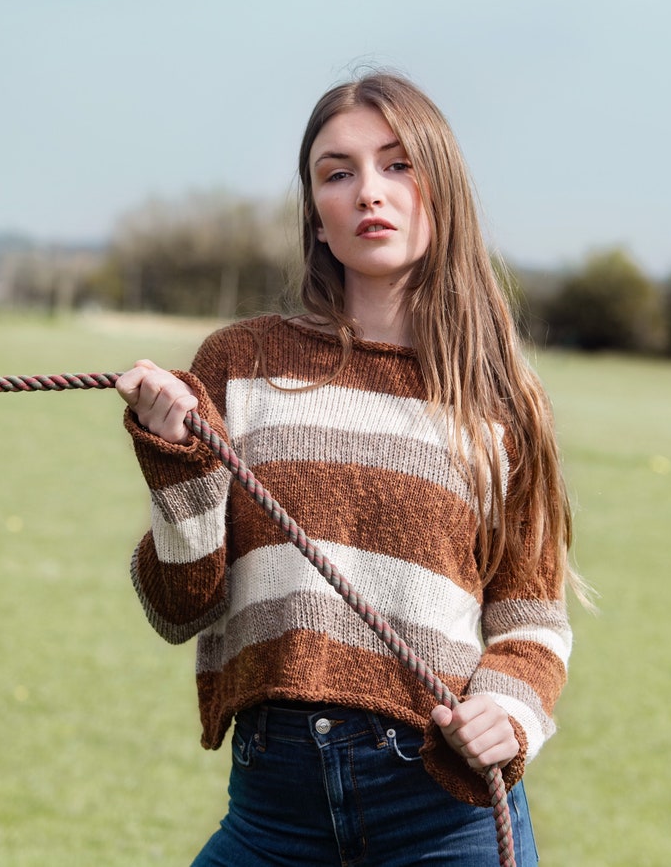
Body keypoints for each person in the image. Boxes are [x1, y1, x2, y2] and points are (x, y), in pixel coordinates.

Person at [117, 71, 579, 867]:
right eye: (339, 172)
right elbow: (177, 609)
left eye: (399, 165)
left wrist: (508, 711)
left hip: (442, 808)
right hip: (271, 806)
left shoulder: (500, 401)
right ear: (316, 216)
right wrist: (175, 466)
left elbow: (531, 621)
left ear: (443, 190)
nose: (370, 191)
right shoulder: (238, 363)